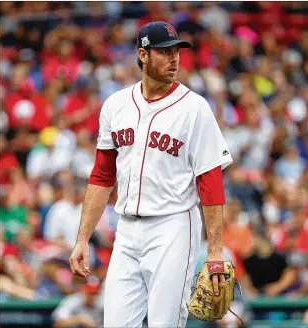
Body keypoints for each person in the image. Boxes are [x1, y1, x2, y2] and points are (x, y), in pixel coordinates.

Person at [69, 21, 233, 328]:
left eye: (176, 52)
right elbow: (102, 177)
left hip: (173, 227)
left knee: (164, 324)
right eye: (164, 52)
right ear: (143, 55)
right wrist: (82, 239)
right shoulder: (116, 105)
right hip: (127, 231)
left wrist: (215, 250)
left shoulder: (194, 108)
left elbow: (210, 182)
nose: (174, 59)